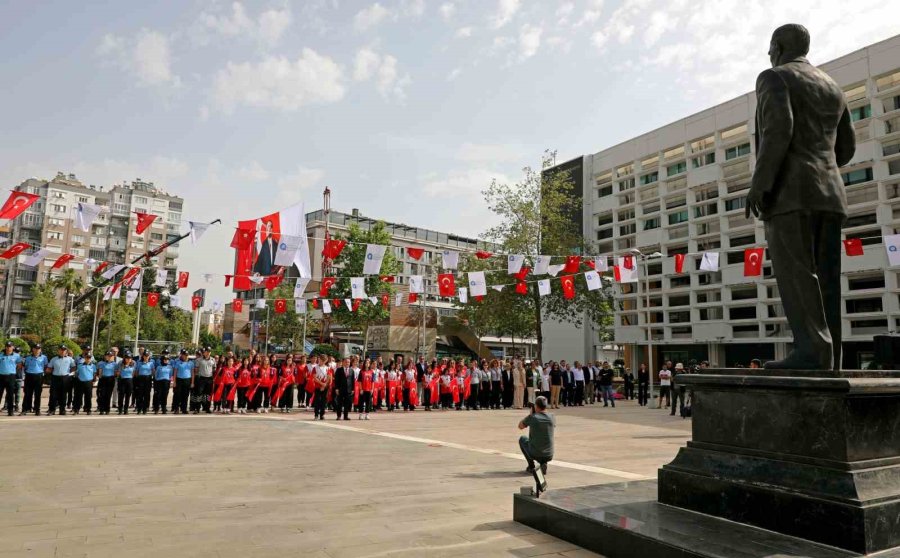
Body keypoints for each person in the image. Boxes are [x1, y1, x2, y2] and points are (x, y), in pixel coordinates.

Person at [745, 24, 855, 371]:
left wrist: (760, 184)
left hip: (791, 194)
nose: (768, 54)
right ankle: (829, 357)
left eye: (769, 48)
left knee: (798, 275)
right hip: (831, 193)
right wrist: (820, 163)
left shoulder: (774, 78)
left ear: (777, 46)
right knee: (826, 278)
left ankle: (811, 352)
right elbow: (846, 148)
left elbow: (779, 130)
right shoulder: (833, 87)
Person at [518, 396, 555, 475]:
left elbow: (520, 426)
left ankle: (531, 466)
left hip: (536, 453)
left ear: (536, 406)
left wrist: (530, 414)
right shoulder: (552, 417)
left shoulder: (533, 417)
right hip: (549, 454)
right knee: (542, 439)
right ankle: (543, 463)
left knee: (522, 439)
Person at [47, 346, 75, 415]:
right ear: (58, 351)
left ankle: (62, 410)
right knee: (53, 395)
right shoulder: (54, 359)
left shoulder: (70, 359)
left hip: (65, 378)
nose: (62, 351)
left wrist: (68, 373)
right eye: (61, 350)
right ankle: (51, 410)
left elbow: (74, 367)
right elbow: (49, 368)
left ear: (66, 351)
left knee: (63, 395)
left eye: (64, 350)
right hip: (55, 378)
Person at [21, 344, 48, 416]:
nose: (37, 350)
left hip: (39, 376)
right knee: (27, 394)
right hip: (29, 375)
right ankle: (25, 409)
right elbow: (25, 367)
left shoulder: (44, 357)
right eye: (35, 348)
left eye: (38, 349)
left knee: (37, 394)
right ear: (33, 349)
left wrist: (42, 374)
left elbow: (45, 367)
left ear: (40, 350)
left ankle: (37, 409)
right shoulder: (28, 358)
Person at [0, 341, 22, 416]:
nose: (8, 348)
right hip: (1, 376)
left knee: (10, 394)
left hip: (11, 376)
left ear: (13, 347)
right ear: (5, 347)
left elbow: (19, 365)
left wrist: (12, 370)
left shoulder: (17, 356)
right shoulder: (1, 355)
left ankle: (10, 411)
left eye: (10, 346)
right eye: (7, 346)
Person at [192, 347, 216, 414]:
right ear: (204, 352)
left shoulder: (213, 360)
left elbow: (214, 369)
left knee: (208, 395)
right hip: (201, 379)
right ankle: (197, 408)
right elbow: (196, 370)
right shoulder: (199, 360)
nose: (208, 353)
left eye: (209, 351)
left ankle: (207, 408)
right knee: (199, 394)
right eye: (206, 351)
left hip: (209, 379)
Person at [172, 349, 195, 414]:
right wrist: (174, 381)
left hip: (187, 380)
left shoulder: (191, 363)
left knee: (185, 395)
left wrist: (192, 382)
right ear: (181, 355)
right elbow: (175, 372)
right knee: (177, 395)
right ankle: (176, 409)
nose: (185, 356)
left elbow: (192, 373)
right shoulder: (178, 362)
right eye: (184, 355)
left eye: (186, 355)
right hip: (179, 380)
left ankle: (184, 408)